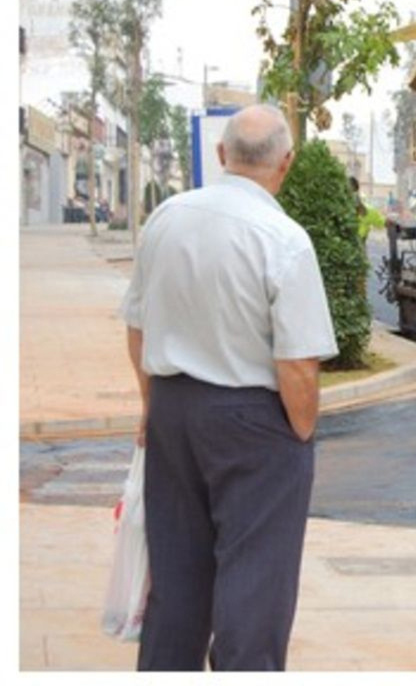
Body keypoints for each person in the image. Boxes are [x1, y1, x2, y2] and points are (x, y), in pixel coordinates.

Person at [120, 103, 338, 671]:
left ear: (222, 155)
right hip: (252, 418)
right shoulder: (283, 239)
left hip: (172, 409)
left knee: (176, 578)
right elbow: (298, 362)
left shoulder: (165, 217)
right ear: (286, 163)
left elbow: (137, 326)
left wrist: (151, 405)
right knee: (255, 580)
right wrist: (300, 434)